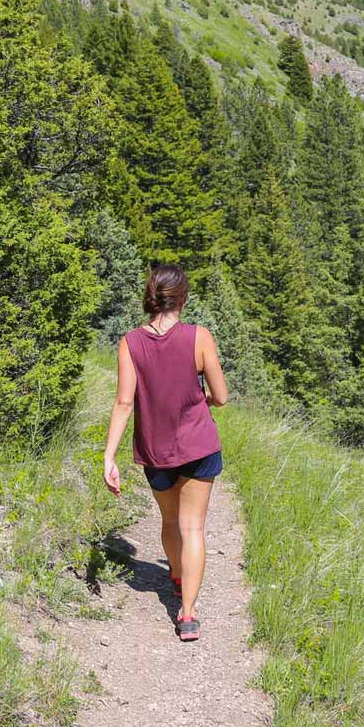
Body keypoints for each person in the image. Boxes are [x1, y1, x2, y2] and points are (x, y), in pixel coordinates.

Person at [102, 264, 229, 642]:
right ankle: (187, 614)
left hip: (155, 449)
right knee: (193, 528)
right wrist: (200, 396)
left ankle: (176, 573)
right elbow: (220, 397)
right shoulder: (199, 337)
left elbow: (124, 402)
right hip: (198, 447)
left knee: (171, 521)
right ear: (183, 297)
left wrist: (109, 456)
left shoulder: (130, 342)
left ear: (151, 297)